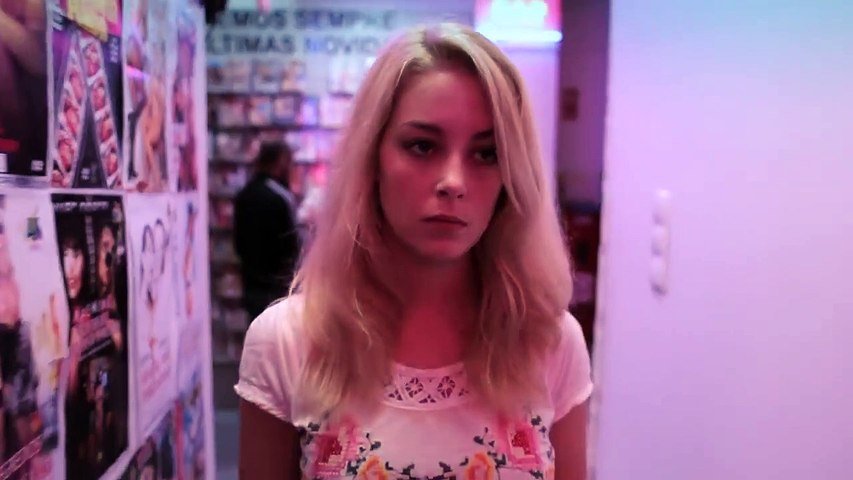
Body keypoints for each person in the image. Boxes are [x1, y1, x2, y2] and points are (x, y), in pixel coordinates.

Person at [236, 23, 593, 480]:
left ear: (511, 176)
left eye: (486, 154)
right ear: (373, 158)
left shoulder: (549, 342)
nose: (453, 182)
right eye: (422, 146)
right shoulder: (286, 342)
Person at [233, 142, 301, 320]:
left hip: (251, 283)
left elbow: (239, 243)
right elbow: (291, 246)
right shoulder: (281, 197)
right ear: (280, 162)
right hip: (277, 288)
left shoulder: (244, 194)